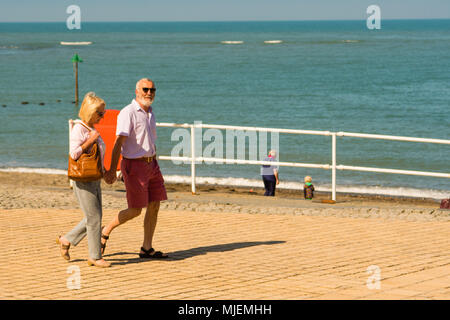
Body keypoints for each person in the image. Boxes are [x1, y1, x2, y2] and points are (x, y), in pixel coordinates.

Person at [102, 78, 169, 259]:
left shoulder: (150, 113)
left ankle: (147, 248)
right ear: (137, 91)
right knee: (135, 210)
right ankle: (105, 230)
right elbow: (118, 143)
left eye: (152, 90)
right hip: (134, 166)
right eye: (145, 89)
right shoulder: (128, 112)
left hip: (152, 163)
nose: (149, 93)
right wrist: (111, 170)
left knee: (155, 204)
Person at [56, 92, 111, 268]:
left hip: (94, 176)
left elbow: (98, 154)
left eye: (103, 113)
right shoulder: (79, 128)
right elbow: (74, 154)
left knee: (94, 216)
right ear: (90, 111)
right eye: (100, 113)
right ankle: (94, 256)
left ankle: (66, 240)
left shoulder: (91, 129)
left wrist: (107, 170)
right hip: (83, 178)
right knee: (94, 218)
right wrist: (90, 141)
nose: (102, 116)